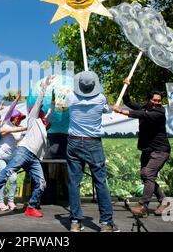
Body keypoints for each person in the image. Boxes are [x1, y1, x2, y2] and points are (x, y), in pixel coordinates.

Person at [0, 76, 54, 218]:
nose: (42, 110)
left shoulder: (42, 124)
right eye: (40, 110)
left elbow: (50, 113)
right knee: (7, 172)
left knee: (41, 183)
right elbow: (39, 102)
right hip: (24, 152)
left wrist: (53, 100)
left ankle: (31, 207)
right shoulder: (33, 118)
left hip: (35, 158)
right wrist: (44, 86)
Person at [66, 71, 119, 232]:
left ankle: (75, 221)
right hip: (93, 143)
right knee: (100, 182)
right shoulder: (101, 98)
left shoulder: (71, 98)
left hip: (74, 142)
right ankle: (106, 223)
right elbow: (106, 111)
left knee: (74, 183)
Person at [112, 78, 171, 218]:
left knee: (148, 174)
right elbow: (128, 102)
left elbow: (141, 115)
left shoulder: (159, 112)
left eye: (159, 100)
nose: (157, 102)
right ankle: (164, 202)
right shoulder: (145, 107)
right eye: (155, 100)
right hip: (147, 150)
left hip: (160, 150)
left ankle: (143, 205)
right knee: (146, 177)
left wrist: (120, 111)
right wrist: (126, 86)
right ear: (149, 100)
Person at [0, 90, 27, 211]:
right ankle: (0, 201)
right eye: (18, 118)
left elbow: (27, 132)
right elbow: (9, 111)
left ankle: (11, 201)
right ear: (13, 118)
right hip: (1, 157)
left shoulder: (19, 128)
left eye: (21, 119)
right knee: (3, 178)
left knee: (13, 179)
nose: (20, 120)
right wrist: (16, 100)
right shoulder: (5, 123)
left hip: (12, 158)